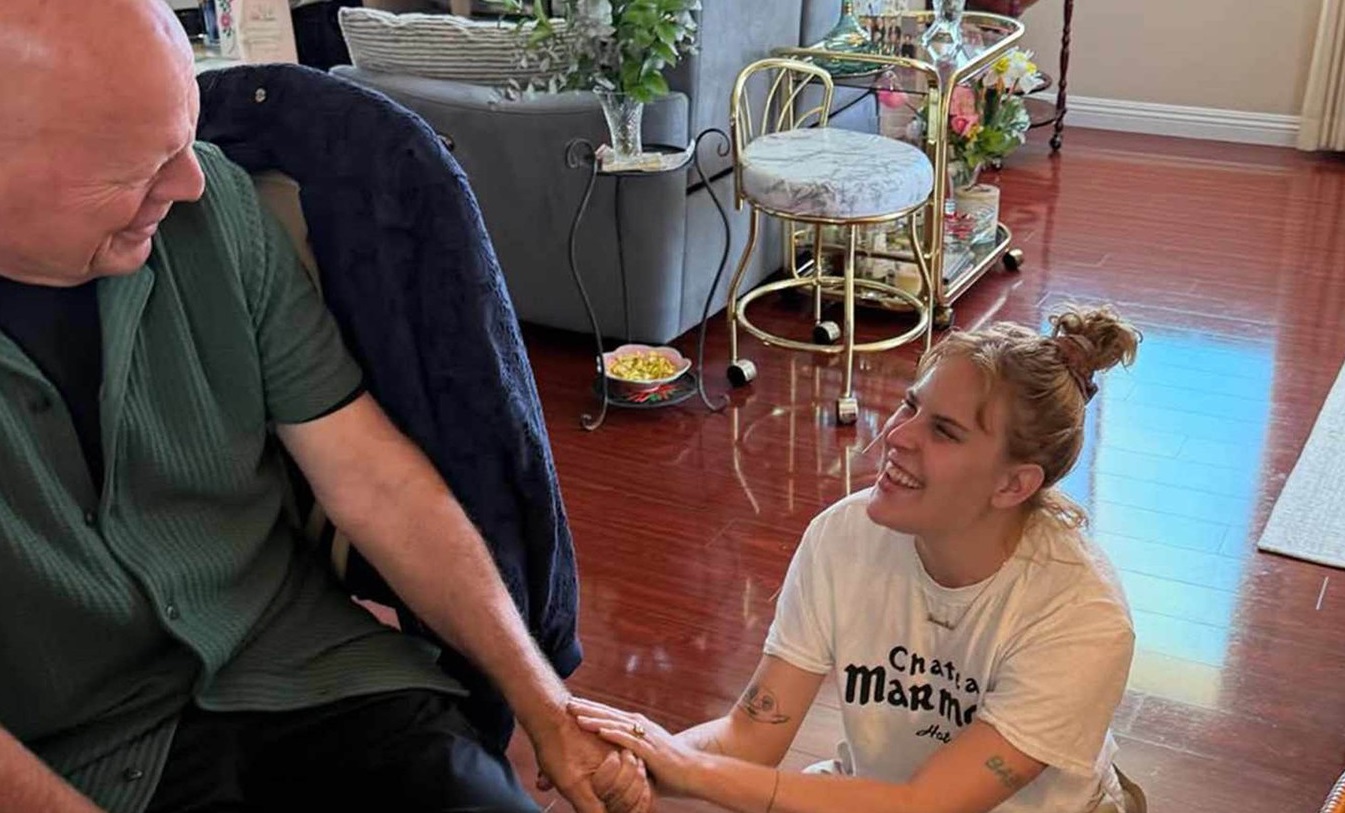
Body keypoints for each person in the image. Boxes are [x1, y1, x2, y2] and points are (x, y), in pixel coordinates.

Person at [0, 2, 648, 812]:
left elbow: (372, 478)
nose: (191, 181)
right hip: (68, 752)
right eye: (138, 167)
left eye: (185, 137)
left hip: (296, 667)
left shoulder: (217, 208)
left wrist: (543, 701)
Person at [570, 306, 1146, 813]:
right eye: (911, 405)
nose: (898, 435)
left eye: (944, 431)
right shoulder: (845, 535)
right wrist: (636, 758)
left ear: (1014, 484)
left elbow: (925, 807)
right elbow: (751, 735)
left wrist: (690, 770)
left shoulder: (1082, 618)